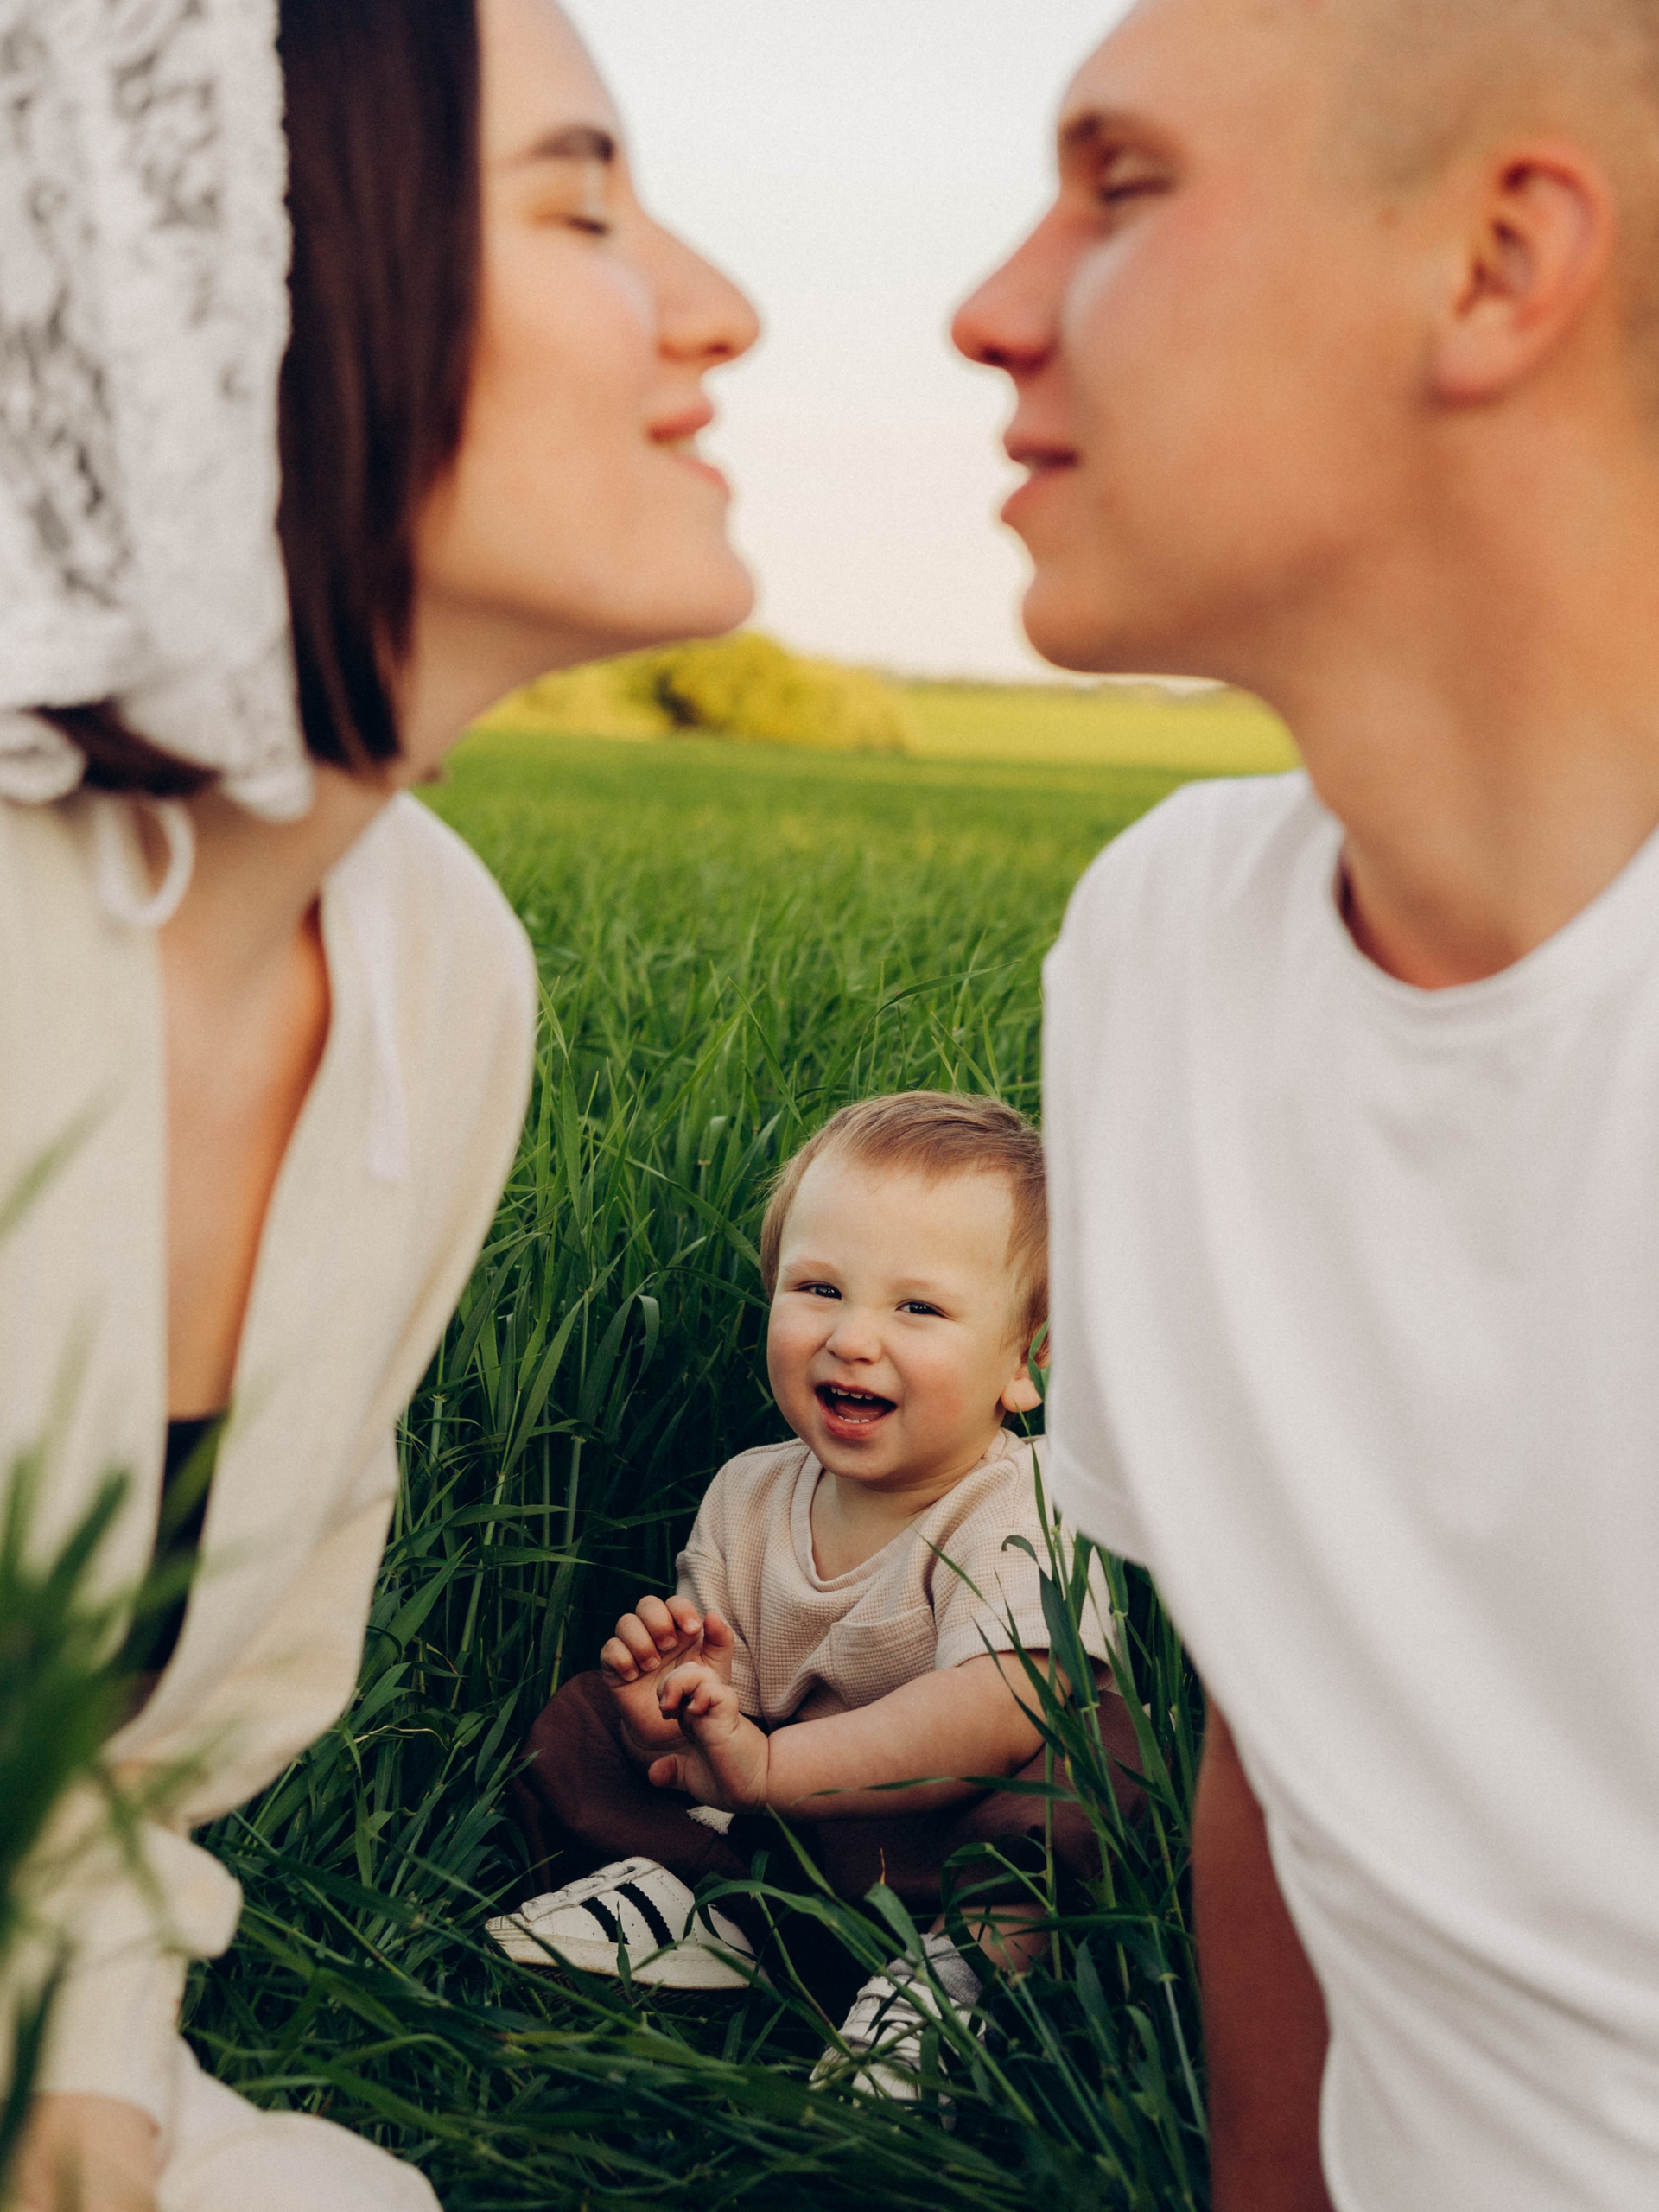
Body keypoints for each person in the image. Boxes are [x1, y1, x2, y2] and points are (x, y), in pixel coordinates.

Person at [0, 2, 759, 2208]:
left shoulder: (438, 964)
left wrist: (85, 2099)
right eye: (582, 208)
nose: (718, 304)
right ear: (227, 282)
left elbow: (104, 1804)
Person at [952, 0, 1659, 2206]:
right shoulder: (1165, 942)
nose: (990, 310)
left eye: (1123, 188)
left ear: (1495, 263)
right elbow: (1287, 1748)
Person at [496, 1093, 1141, 2075]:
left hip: (946, 1837)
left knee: (1094, 1774)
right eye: (819, 1288)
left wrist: (772, 1769)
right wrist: (673, 1715)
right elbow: (728, 1723)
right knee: (583, 1719)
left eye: (917, 1307)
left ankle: (967, 1972)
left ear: (1028, 1359)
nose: (852, 1338)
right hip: (791, 1830)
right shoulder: (748, 1492)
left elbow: (1003, 1706)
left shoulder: (1029, 1497)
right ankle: (711, 1910)